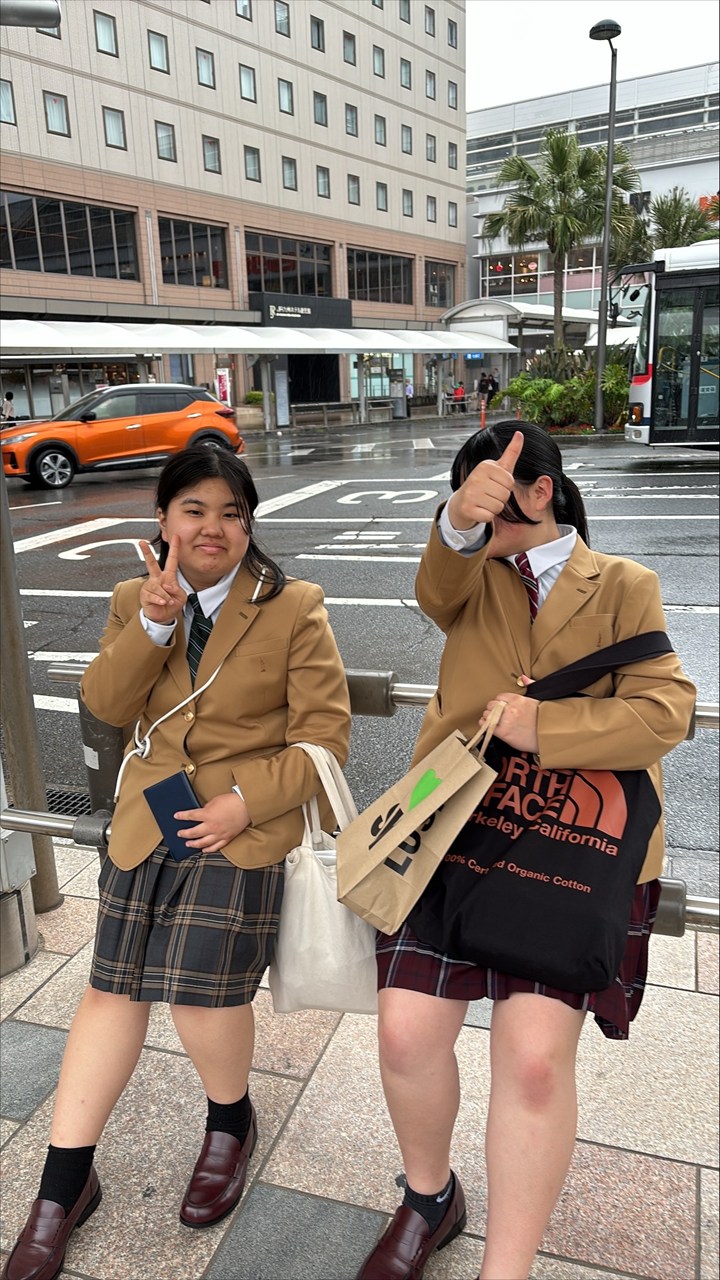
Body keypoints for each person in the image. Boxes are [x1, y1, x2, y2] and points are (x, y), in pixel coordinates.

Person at [356, 421, 695, 1280]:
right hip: (452, 827)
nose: (479, 514)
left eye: (496, 495)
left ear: (542, 491)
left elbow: (666, 711)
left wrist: (546, 726)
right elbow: (435, 588)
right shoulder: (469, 575)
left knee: (536, 1061)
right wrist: (457, 523)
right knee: (404, 1033)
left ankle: (504, 1269)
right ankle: (429, 1198)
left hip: (571, 840)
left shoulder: (623, 584)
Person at [2, 447, 351, 1280]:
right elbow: (104, 705)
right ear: (163, 520)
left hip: (241, 828)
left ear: (249, 524)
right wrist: (155, 626)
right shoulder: (136, 600)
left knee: (198, 992)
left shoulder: (293, 605)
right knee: (110, 990)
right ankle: (63, 1187)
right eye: (195, 510)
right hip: (149, 819)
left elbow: (326, 738)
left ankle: (230, 1121)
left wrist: (246, 802)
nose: (214, 528)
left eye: (233, 512)